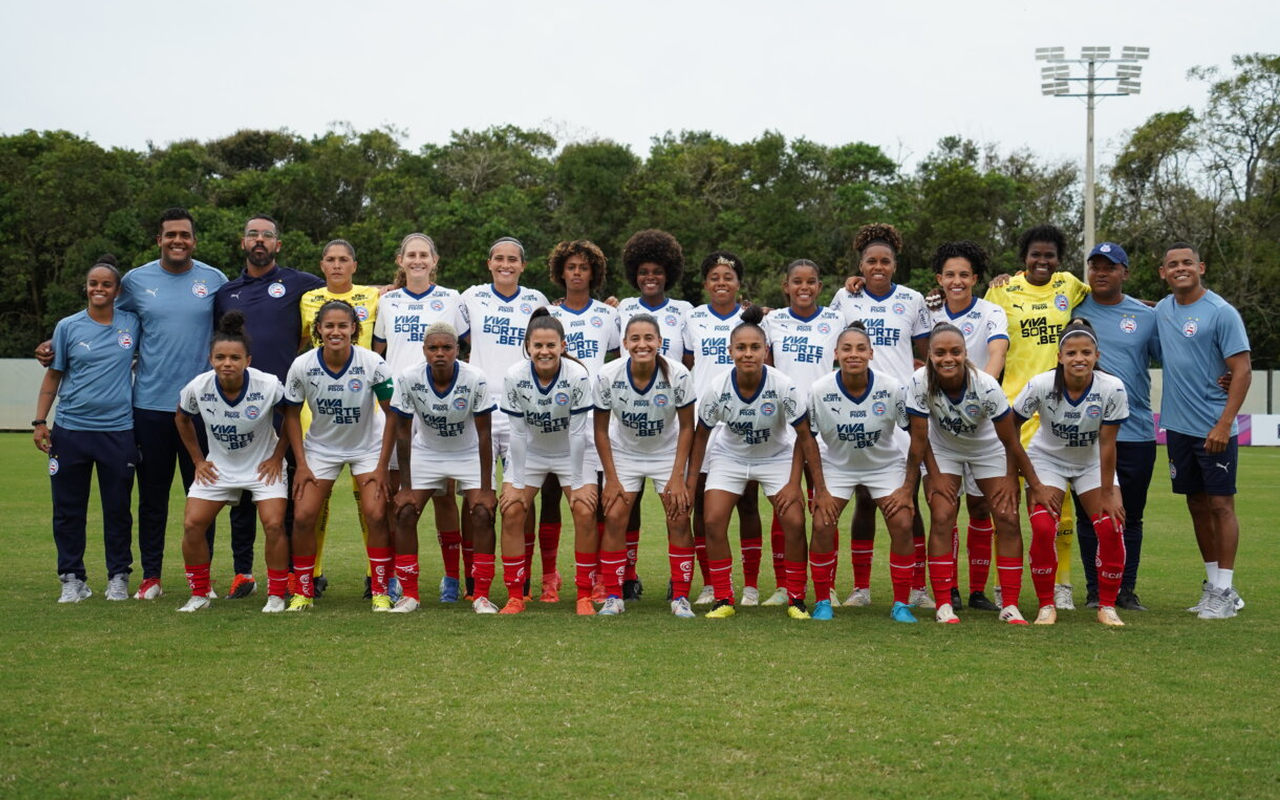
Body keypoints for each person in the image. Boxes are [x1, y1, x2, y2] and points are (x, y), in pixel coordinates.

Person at [32, 209, 229, 600]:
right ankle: (150, 577)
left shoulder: (214, 280)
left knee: (204, 497)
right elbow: (100, 315)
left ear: (194, 240)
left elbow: (231, 329)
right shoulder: (136, 281)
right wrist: (57, 345)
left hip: (201, 408)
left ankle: (202, 580)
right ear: (159, 240)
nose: (177, 240)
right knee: (151, 499)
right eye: (170, 234)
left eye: (184, 235)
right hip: (149, 407)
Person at [213, 215, 325, 600]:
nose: (259, 240)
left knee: (291, 491)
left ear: (278, 244)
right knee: (242, 493)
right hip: (237, 406)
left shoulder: (300, 283)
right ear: (242, 242)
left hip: (285, 405)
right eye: (252, 235)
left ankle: (294, 573)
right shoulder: (226, 292)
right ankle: (243, 573)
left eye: (267, 235)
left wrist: (388, 288)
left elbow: (342, 290)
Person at [687, 306, 819, 620]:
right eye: (741, 348)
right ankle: (723, 598)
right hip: (730, 457)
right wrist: (690, 484)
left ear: (766, 351)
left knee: (794, 522)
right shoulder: (717, 388)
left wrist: (794, 483)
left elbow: (804, 436)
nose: (748, 353)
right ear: (730, 351)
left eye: (755, 347)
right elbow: (700, 437)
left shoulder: (783, 385)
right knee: (713, 521)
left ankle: (796, 598)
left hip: (776, 457)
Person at [984, 225, 1089, 610]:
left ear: (1058, 259)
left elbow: (1107, 296)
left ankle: (1062, 585)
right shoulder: (1002, 290)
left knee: (1060, 505)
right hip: (1012, 411)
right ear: (1023, 258)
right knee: (1005, 504)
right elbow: (976, 325)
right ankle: (1004, 585)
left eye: (1049, 256)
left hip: (1056, 411)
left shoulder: (1069, 285)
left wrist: (1153, 307)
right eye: (1035, 255)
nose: (1042, 262)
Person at [905, 322, 1036, 625]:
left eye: (955, 351)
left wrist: (1014, 478)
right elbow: (919, 439)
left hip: (986, 448)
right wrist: (934, 475)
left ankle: (1010, 604)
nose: (948, 358)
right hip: (943, 450)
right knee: (942, 514)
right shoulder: (919, 381)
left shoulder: (986, 385)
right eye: (940, 353)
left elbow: (1010, 440)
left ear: (965, 353)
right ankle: (943, 604)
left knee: (1007, 516)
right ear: (930, 355)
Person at [829, 224, 931, 609]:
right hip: (858, 408)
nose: (878, 267)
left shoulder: (912, 300)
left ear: (895, 265)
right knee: (864, 499)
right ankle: (861, 588)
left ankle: (917, 587)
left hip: (901, 410)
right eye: (871, 261)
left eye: (885, 261)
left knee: (908, 498)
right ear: (860, 265)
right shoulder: (845, 297)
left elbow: (926, 351)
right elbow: (829, 339)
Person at [33, 255, 140, 603]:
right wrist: (40, 422)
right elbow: (54, 375)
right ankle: (72, 578)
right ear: (86, 287)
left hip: (118, 431)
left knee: (117, 509)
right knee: (68, 509)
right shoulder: (68, 327)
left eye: (106, 284)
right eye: (93, 283)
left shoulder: (132, 323)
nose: (99, 289)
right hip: (71, 430)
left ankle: (118, 576)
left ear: (117, 290)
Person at [1155, 242, 1251, 619]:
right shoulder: (1162, 310)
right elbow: (1134, 308)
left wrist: (1224, 424)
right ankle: (1215, 587)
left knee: (1221, 505)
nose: (1181, 268)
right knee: (1196, 504)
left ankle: (1225, 590)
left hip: (1214, 427)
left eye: (1187, 263)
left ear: (1201, 267)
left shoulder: (1221, 312)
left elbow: (1241, 370)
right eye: (1173, 264)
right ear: (1163, 273)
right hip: (1178, 428)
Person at [1012, 318, 1130, 626]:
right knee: (1042, 528)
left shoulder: (1112, 388)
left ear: (1096, 356)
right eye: (1072, 353)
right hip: (1047, 459)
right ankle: (1046, 605)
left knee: (1111, 526)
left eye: (1086, 352)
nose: (1079, 358)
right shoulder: (1040, 385)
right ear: (1060, 357)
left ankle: (1107, 606)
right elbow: (1010, 429)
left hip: (1091, 462)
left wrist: (1108, 493)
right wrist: (1029, 480)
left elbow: (1108, 443)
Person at [372, 233, 469, 603]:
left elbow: (466, 348)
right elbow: (379, 353)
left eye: (423, 254)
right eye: (410, 254)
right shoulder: (388, 301)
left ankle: (451, 578)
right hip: (399, 410)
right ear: (400, 261)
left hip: (439, 409)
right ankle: (397, 576)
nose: (417, 260)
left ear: (434, 260)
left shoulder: (451, 298)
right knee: (398, 496)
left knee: (444, 498)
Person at [283, 300, 396, 611]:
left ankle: (381, 591)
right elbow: (290, 414)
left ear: (353, 329)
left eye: (342, 326)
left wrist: (383, 465)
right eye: (329, 326)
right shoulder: (302, 365)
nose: (336, 331)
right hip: (321, 449)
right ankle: (303, 592)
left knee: (376, 514)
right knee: (303, 516)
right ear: (318, 329)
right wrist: (301, 464)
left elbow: (393, 414)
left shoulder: (373, 362)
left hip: (367, 448)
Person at [174, 312, 290, 613]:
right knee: (192, 524)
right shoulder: (198, 386)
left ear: (247, 360)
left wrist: (277, 457)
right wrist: (198, 460)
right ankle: (200, 594)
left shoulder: (268, 385)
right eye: (220, 357)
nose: (227, 363)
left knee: (274, 524)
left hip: (263, 467)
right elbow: (182, 418)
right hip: (219, 467)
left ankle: (277, 595)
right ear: (210, 359)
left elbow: (292, 417)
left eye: (235, 357)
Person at [380, 322, 497, 613]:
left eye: (447, 347)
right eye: (433, 348)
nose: (440, 353)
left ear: (458, 349)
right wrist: (406, 488)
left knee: (483, 514)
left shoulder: (475, 378)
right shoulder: (408, 378)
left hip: (468, 452)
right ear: (424, 351)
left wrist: (486, 488)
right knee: (405, 512)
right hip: (428, 452)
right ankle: (410, 595)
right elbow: (403, 433)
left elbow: (485, 435)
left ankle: (481, 595)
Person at [804, 322, 918, 622]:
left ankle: (901, 604)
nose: (853, 354)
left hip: (883, 466)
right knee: (822, 524)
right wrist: (820, 490)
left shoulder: (891, 387)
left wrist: (908, 487)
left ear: (871, 353)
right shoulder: (820, 390)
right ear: (835, 354)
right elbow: (808, 440)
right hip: (837, 466)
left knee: (902, 523)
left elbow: (918, 434)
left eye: (860, 348)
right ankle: (822, 600)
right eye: (846, 348)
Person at [459, 237, 550, 598]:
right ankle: (473, 580)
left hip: (521, 410)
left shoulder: (536, 300)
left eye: (513, 259)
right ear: (489, 263)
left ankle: (521, 580)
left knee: (521, 496)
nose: (505, 265)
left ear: (523, 266)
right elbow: (448, 333)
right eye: (499, 258)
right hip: (479, 409)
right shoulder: (472, 297)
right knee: (475, 495)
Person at [1072, 243, 1159, 611]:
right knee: (1089, 516)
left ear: (1125, 272)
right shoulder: (1072, 309)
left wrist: (1221, 375)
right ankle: (1095, 590)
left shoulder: (1146, 316)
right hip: (1086, 433)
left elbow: (1178, 354)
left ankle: (1125, 589)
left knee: (1130, 516)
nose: (1101, 272)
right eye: (1095, 266)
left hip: (1136, 431)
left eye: (1110, 266)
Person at [594, 314, 697, 616]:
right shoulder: (608, 375)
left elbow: (687, 427)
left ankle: (680, 597)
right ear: (625, 343)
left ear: (659, 342)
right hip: (624, 453)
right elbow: (600, 430)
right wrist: (611, 478)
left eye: (649, 338)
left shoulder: (677, 374)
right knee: (615, 516)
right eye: (635, 339)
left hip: (667, 453)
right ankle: (614, 597)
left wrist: (677, 476)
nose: (642, 344)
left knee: (679, 517)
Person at [298, 239, 384, 597]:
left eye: (344, 259)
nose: (337, 265)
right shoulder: (307, 298)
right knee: (316, 499)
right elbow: (299, 342)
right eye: (330, 259)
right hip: (318, 406)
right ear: (322, 265)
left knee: (367, 498)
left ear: (354, 265)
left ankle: (374, 576)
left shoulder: (374, 296)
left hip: (364, 401)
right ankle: (313, 574)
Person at [496, 309, 596, 615]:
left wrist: (577, 484)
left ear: (562, 346)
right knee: (512, 510)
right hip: (532, 452)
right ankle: (515, 595)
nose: (544, 351)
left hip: (571, 451)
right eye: (537, 345)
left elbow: (577, 433)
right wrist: (515, 483)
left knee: (584, 509)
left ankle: (584, 595)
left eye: (551, 345)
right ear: (527, 346)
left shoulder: (577, 375)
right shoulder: (515, 375)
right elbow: (517, 432)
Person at [930, 241, 1009, 612]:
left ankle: (977, 591)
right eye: (950, 275)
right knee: (944, 509)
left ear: (975, 278)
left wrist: (977, 397)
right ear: (939, 279)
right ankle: (949, 589)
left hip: (981, 422)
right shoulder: (928, 311)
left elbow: (997, 354)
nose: (957, 281)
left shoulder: (991, 311)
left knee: (980, 508)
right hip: (941, 426)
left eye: (964, 274)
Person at [682, 251, 765, 606]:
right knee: (703, 505)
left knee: (747, 502)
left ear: (738, 283)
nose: (721, 283)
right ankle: (711, 583)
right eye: (714, 277)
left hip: (742, 421)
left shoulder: (753, 320)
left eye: (728, 277)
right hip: (705, 421)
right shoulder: (693, 317)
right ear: (705, 283)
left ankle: (751, 586)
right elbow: (688, 362)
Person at [614, 229, 692, 600]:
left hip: (669, 424)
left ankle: (680, 581)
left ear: (668, 273)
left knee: (676, 506)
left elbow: (689, 358)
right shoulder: (621, 308)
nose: (650, 277)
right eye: (643, 271)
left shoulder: (685, 311)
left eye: (657, 271)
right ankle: (628, 576)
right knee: (626, 508)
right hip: (628, 424)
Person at [762, 258, 844, 607]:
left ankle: (828, 585)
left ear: (820, 287)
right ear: (786, 286)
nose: (804, 287)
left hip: (825, 424)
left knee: (826, 507)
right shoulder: (772, 321)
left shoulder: (836, 319)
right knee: (786, 506)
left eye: (811, 281)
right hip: (784, 428)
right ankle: (785, 584)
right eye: (797, 281)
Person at [545, 240, 619, 603]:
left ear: (594, 273)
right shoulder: (547, 313)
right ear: (561, 271)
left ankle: (600, 577)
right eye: (571, 267)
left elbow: (619, 359)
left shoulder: (608, 315)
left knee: (597, 501)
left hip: (594, 418)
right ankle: (549, 576)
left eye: (583, 267)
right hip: (553, 417)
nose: (577, 273)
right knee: (549, 497)